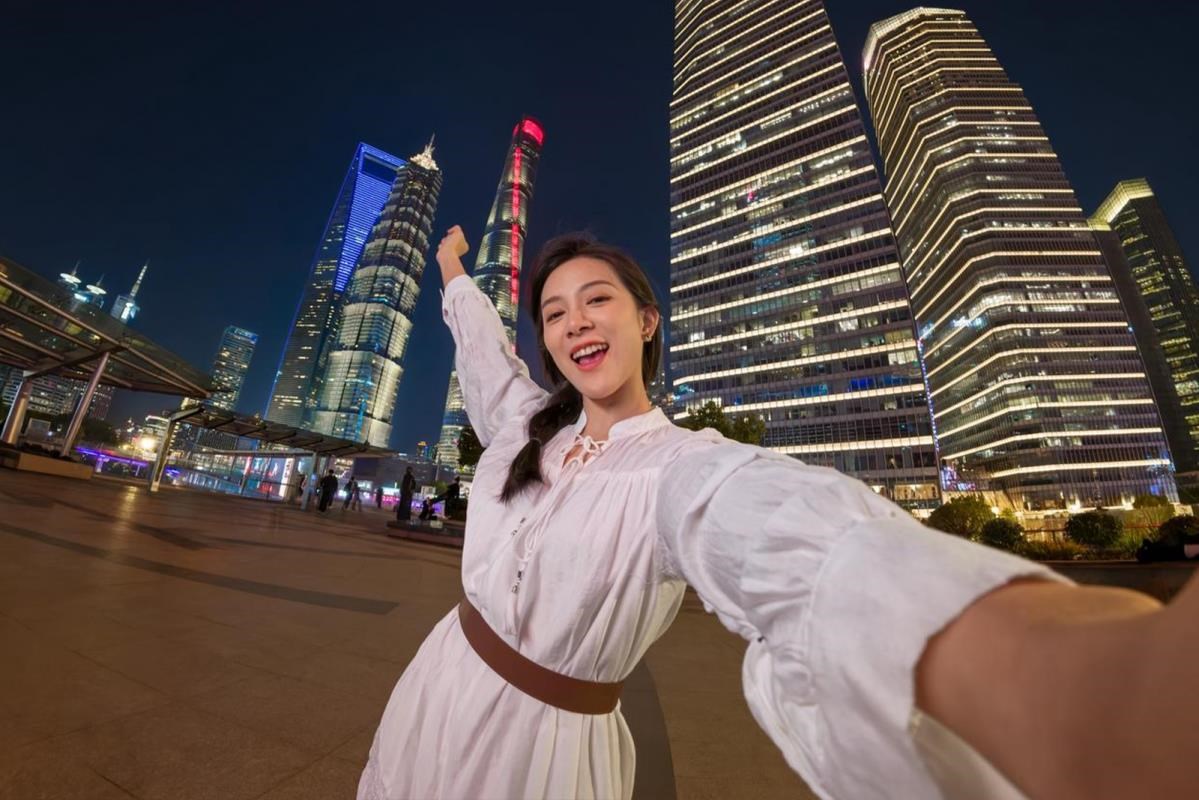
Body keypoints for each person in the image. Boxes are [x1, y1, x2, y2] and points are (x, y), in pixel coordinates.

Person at [357, 226, 1199, 800]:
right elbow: (481, 352)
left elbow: (793, 537)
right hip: (437, 681)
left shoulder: (681, 466)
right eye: (553, 312)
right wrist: (454, 271)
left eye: (596, 299)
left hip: (537, 751)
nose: (574, 320)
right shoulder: (523, 428)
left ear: (645, 321)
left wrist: (1082, 681)